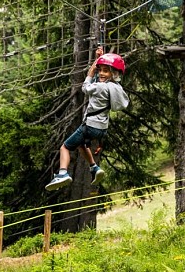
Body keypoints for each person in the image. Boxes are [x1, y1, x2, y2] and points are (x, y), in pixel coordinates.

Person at [45, 47, 129, 191]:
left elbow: (86, 87)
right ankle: (94, 167)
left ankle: (63, 173)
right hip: (101, 129)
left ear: (114, 73)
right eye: (100, 69)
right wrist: (99, 58)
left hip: (90, 126)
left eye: (105, 71)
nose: (101, 73)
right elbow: (99, 83)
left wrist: (91, 71)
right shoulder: (115, 87)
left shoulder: (100, 87)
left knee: (65, 147)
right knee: (81, 144)